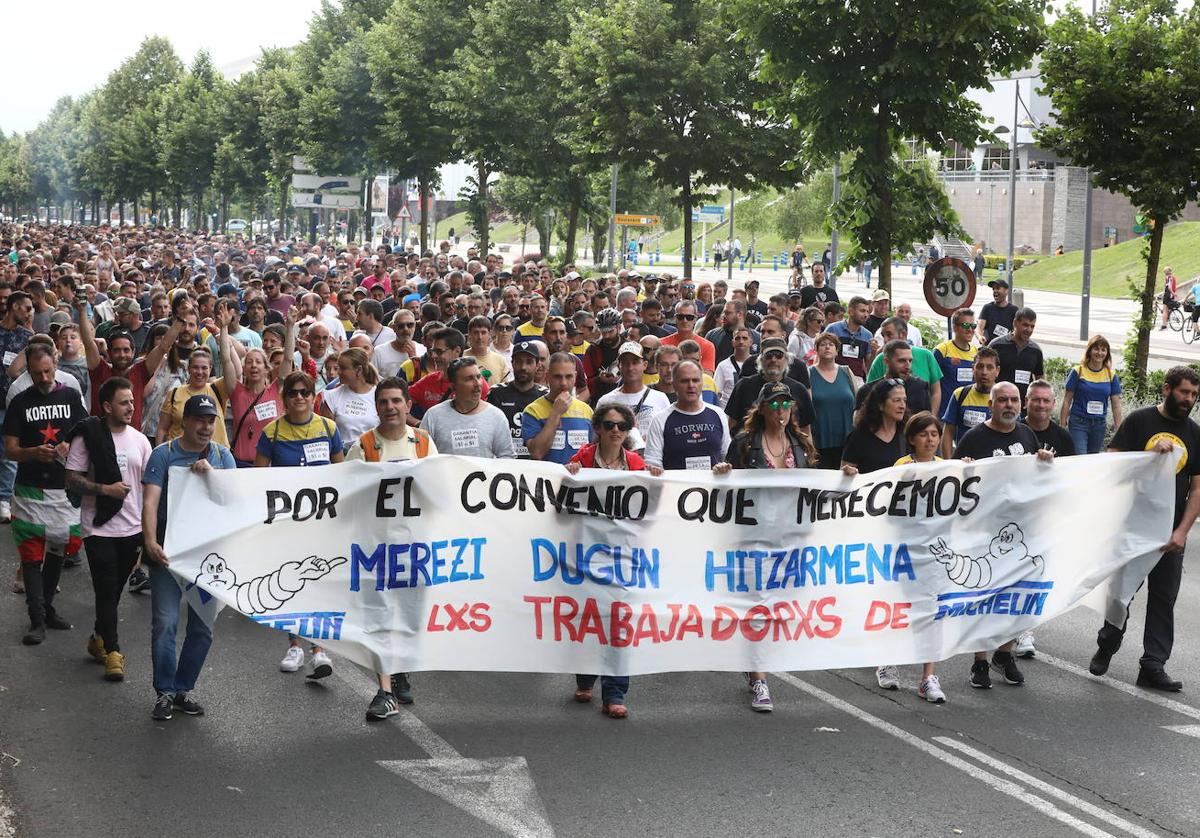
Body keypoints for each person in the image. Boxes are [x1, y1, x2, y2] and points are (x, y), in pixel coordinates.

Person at [1089, 366, 1200, 692]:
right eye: (1184, 392)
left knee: (1164, 599)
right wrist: (1147, 454)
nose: (1189, 399)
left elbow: (1197, 488)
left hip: (1169, 534)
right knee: (1121, 593)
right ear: (1167, 389)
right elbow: (1112, 462)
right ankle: (1108, 644)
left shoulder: (1195, 433)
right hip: (1133, 527)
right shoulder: (1140, 421)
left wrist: (1182, 531)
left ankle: (1153, 665)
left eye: (1194, 394)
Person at [952, 381, 1054, 690]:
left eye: (1013, 400)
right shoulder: (973, 438)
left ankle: (1005, 654)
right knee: (984, 596)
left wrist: (1044, 463)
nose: (1008, 405)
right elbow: (955, 484)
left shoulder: (1026, 434)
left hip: (1021, 530)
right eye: (1002, 400)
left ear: (1020, 405)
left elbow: (1036, 479)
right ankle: (980, 661)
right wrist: (963, 468)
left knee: (1017, 594)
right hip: (985, 531)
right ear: (991, 404)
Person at [345, 377, 437, 718]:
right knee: (380, 617)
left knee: (410, 617)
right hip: (377, 549)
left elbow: (439, 490)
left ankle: (399, 669)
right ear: (376, 406)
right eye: (384, 402)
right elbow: (346, 492)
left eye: (396, 401)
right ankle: (384, 691)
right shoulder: (365, 445)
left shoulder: (424, 443)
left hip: (416, 547)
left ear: (407, 405)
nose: (390, 407)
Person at [142, 393, 237, 720]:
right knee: (165, 623)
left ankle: (183, 688)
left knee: (202, 630)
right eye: (200, 420)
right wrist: (150, 541)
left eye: (212, 421)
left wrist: (212, 475)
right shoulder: (163, 455)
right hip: (169, 554)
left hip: (206, 559)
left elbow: (234, 504)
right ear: (185, 421)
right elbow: (151, 502)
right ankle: (164, 691)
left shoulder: (224, 457)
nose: (206, 427)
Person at [65, 376, 153, 681]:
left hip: (132, 529)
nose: (130, 407)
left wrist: (149, 527)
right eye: (123, 402)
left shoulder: (140, 440)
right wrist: (104, 489)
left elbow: (149, 487)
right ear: (106, 406)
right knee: (105, 587)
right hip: (98, 526)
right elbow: (72, 479)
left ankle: (97, 638)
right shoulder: (88, 435)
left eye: (132, 401)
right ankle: (113, 652)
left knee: (114, 590)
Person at [564, 404, 643, 719]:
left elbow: (651, 511)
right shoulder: (580, 461)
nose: (616, 431)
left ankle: (614, 691)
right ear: (597, 428)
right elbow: (559, 505)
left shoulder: (636, 465)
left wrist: (655, 482)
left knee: (618, 620)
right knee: (587, 617)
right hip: (584, 553)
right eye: (609, 425)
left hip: (622, 555)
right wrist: (566, 477)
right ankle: (585, 676)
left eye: (622, 426)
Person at [5, 345, 88, 645]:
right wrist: (32, 452)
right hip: (29, 489)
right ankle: (36, 620)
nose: (43, 378)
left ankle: (49, 609)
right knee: (30, 554)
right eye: (36, 373)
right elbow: (10, 449)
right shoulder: (19, 402)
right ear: (28, 369)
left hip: (64, 488)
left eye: (47, 371)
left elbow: (85, 431)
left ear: (55, 364)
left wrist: (71, 445)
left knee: (60, 547)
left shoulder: (70, 396)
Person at [877, 411, 947, 703]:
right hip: (906, 550)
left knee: (932, 612)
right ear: (911, 439)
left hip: (935, 552)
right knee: (900, 607)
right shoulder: (902, 467)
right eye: (923, 434)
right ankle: (888, 659)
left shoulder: (948, 468)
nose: (930, 440)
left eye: (934, 434)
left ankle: (928, 676)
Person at [643, 360, 730, 474]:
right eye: (684, 381)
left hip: (713, 489)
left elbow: (727, 455)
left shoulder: (718, 414)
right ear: (674, 384)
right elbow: (652, 462)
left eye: (695, 380)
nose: (691, 385)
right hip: (675, 489)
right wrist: (655, 470)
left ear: (702, 383)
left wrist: (724, 466)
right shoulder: (660, 420)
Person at [421, 358, 515, 458]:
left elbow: (507, 456)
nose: (477, 383)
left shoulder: (496, 416)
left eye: (478, 377)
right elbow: (421, 455)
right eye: (469, 379)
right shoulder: (433, 416)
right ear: (453, 386)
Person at [724, 337, 815, 435]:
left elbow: (806, 430)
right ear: (760, 360)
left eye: (779, 355)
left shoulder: (799, 389)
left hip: (788, 449)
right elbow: (732, 424)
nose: (773, 360)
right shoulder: (743, 386)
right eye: (768, 355)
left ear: (787, 360)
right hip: (751, 447)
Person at [0, 290, 34, 523]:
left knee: (8, 453)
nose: (30, 312)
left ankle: (3, 499)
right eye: (26, 307)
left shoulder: (27, 337)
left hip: (12, 403)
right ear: (14, 307)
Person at [523, 353, 594, 464]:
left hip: (580, 479)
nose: (563, 383)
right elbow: (537, 453)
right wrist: (555, 413)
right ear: (547, 377)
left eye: (569, 376)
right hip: (548, 479)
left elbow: (593, 452)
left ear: (575, 377)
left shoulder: (587, 411)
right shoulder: (533, 410)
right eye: (557, 377)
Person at [1061, 336, 1123, 454]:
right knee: (1080, 458)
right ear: (1090, 350)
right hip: (1078, 423)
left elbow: (1116, 406)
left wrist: (1119, 431)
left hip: (1099, 425)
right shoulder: (1078, 371)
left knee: (1092, 460)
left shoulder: (1111, 375)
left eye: (1103, 350)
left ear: (1107, 353)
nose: (1099, 353)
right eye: (1096, 349)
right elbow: (1067, 400)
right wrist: (1062, 426)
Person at [594, 341, 670, 435]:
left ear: (645, 365)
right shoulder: (605, 401)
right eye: (625, 363)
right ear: (619, 366)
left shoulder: (660, 398)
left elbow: (668, 434)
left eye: (635, 362)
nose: (630, 368)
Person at [157, 348, 228, 447]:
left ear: (210, 369)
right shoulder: (174, 393)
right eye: (195, 367)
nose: (199, 372)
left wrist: (225, 340)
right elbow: (162, 428)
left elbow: (236, 373)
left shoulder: (218, 389)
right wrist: (160, 454)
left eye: (204, 368)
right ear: (188, 368)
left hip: (215, 456)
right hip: (179, 455)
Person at [808, 332, 858, 469]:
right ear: (816, 350)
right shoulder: (809, 373)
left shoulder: (846, 372)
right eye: (823, 345)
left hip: (847, 441)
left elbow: (859, 402)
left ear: (837, 350)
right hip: (819, 441)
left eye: (831, 345)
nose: (827, 347)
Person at [940, 347, 1000, 457]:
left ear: (997, 371)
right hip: (964, 464)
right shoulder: (960, 395)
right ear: (973, 369)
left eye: (989, 367)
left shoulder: (1006, 397)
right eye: (980, 366)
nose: (984, 372)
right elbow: (948, 432)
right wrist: (948, 464)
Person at [841, 378, 907, 476]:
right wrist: (849, 473)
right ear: (880, 404)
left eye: (904, 400)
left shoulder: (908, 434)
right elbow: (844, 474)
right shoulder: (858, 438)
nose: (902, 406)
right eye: (896, 400)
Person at [320, 348, 379, 448]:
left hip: (374, 454)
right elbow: (326, 435)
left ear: (359, 370)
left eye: (343, 368)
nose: (338, 372)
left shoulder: (379, 395)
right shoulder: (331, 396)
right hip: (343, 457)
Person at [988, 307, 1044, 403]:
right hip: (999, 405)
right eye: (1025, 325)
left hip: (1024, 408)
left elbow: (1040, 379)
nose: (1029, 329)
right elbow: (986, 372)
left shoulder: (1036, 350)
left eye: (1032, 326)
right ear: (1015, 323)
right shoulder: (996, 345)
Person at [933, 308, 978, 410]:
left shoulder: (977, 353)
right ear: (955, 327)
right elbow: (932, 385)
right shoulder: (942, 351)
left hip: (968, 413)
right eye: (966, 325)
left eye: (973, 326)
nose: (970, 330)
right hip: (945, 412)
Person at [824, 296, 873, 379]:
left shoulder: (867, 335)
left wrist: (874, 351)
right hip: (833, 376)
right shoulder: (833, 329)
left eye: (867, 312)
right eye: (862, 311)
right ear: (850, 311)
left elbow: (869, 365)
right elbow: (822, 354)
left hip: (857, 380)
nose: (866, 315)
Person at [659, 300, 716, 373]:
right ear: (675, 318)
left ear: (695, 319)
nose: (685, 320)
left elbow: (707, 376)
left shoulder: (707, 346)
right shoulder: (662, 344)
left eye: (689, 317)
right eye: (680, 317)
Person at [713, 326, 755, 408]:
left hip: (751, 412)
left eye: (745, 338)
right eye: (737, 338)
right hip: (727, 413)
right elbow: (716, 393)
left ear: (751, 342)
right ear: (732, 342)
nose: (741, 341)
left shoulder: (757, 364)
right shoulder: (723, 366)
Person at [977, 279, 1016, 344]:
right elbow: (979, 328)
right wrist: (980, 336)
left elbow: (1016, 330)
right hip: (990, 349)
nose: (995, 291)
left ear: (1006, 291)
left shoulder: (1014, 310)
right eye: (993, 289)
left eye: (998, 288)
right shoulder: (987, 308)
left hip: (1007, 348)